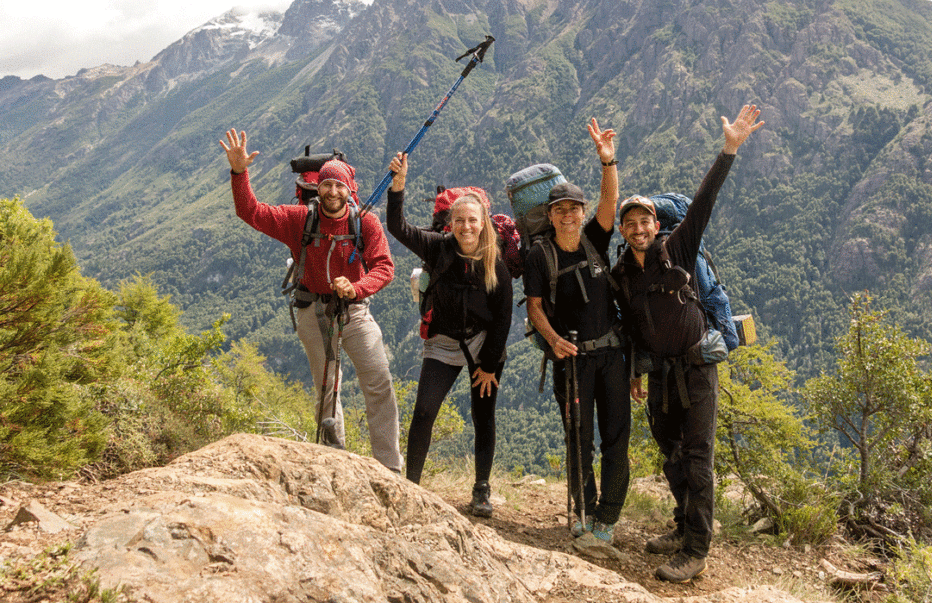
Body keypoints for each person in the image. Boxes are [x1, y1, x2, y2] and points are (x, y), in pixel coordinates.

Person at [612, 104, 764, 583]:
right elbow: (632, 323)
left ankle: (697, 549)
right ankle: (683, 526)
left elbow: (704, 202)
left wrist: (729, 150)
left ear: (657, 225)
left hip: (698, 368)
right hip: (659, 372)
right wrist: (636, 369)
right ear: (622, 230)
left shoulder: (675, 249)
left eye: (646, 221)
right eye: (630, 223)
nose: (639, 229)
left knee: (698, 458)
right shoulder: (622, 274)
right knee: (670, 452)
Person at [219, 128, 402, 472]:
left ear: (350, 192)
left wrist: (357, 288)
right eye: (327, 185)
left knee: (378, 381)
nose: (333, 191)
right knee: (326, 388)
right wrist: (239, 172)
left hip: (354, 312)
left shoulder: (366, 224)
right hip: (312, 312)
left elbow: (384, 268)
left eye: (340, 186)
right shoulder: (299, 219)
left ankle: (389, 468)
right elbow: (251, 212)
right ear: (318, 189)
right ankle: (336, 460)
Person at [386, 152, 513, 517]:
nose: (466, 226)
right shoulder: (438, 247)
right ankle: (410, 486)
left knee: (482, 415)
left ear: (483, 222)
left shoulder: (496, 265)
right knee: (424, 412)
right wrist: (399, 186)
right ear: (451, 223)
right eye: (459, 220)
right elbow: (398, 227)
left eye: (472, 220)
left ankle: (481, 489)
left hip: (482, 344)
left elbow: (503, 320)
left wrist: (489, 365)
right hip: (443, 342)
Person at [524, 118, 628, 546]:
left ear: (582, 214)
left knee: (616, 436)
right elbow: (533, 308)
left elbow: (611, 199)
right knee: (578, 437)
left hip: (611, 356)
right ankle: (583, 510)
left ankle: (608, 516)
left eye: (573, 209)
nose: (568, 215)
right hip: (571, 359)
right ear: (549, 216)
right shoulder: (538, 255)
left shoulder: (595, 241)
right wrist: (552, 340)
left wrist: (607, 161)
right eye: (559, 209)